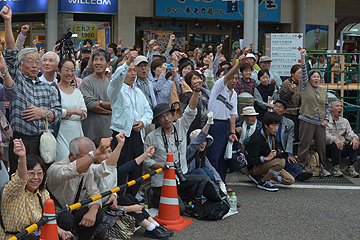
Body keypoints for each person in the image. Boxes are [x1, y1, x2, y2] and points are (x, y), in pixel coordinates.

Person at [2, 5, 61, 174]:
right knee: (19, 177)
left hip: (42, 141)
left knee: (39, 178)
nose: (35, 65)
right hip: (19, 139)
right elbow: (11, 52)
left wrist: (43, 113)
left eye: (37, 62)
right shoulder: (17, 80)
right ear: (20, 65)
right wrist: (8, 22)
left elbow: (57, 114)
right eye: (30, 61)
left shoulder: (48, 87)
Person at [144, 77, 209, 214]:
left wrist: (196, 91)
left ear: (172, 115)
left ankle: (183, 198)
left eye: (168, 115)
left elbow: (191, 109)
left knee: (205, 180)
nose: (166, 119)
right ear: (158, 121)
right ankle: (154, 196)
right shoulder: (152, 137)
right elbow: (146, 160)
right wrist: (162, 167)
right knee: (178, 209)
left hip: (180, 177)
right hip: (162, 181)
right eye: (162, 117)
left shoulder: (180, 126)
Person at [92, 134, 173, 239]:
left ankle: (154, 225)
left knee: (128, 197)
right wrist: (131, 208)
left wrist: (145, 155)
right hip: (100, 213)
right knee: (129, 204)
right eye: (104, 153)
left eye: (110, 152)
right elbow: (102, 207)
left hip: (110, 207)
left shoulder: (111, 169)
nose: (108, 156)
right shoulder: (94, 171)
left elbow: (127, 167)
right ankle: (150, 227)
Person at [0, 139, 73, 239]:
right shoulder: (13, 191)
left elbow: (48, 220)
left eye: (39, 173)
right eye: (31, 173)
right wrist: (22, 158)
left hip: (36, 234)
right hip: (15, 237)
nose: (35, 177)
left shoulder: (43, 193)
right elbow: (21, 179)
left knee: (66, 219)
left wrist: (62, 232)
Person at [47, 137, 113, 240]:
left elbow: (94, 193)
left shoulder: (88, 170)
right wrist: (98, 151)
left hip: (74, 213)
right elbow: (71, 170)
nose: (88, 161)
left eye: (91, 158)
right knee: (66, 218)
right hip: (55, 217)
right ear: (71, 156)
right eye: (84, 157)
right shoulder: (56, 168)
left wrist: (93, 210)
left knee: (97, 213)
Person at [108, 50, 153, 197]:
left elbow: (149, 112)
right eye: (129, 70)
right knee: (121, 170)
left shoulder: (139, 92)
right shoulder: (116, 90)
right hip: (121, 135)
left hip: (137, 134)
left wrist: (143, 122)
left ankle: (132, 198)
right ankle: (118, 200)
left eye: (134, 70)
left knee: (137, 171)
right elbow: (115, 79)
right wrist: (126, 63)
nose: (132, 73)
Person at [206, 55, 244, 184]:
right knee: (213, 156)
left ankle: (222, 183)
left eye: (236, 78)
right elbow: (227, 76)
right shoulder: (219, 86)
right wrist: (238, 65)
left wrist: (232, 132)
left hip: (226, 126)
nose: (234, 80)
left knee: (224, 158)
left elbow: (233, 115)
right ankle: (212, 184)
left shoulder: (234, 94)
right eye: (232, 78)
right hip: (214, 124)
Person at [297, 49, 330, 176]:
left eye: (318, 77)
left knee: (321, 145)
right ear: (309, 79)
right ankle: (300, 166)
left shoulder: (323, 91)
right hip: (307, 119)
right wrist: (303, 57)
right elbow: (304, 71)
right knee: (304, 144)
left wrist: (326, 119)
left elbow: (327, 106)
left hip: (320, 122)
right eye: (314, 76)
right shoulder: (306, 86)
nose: (316, 78)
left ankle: (322, 167)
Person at [246, 112, 295, 192]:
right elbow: (250, 160)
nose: (276, 128)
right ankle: (262, 182)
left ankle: (265, 175)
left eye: (278, 125)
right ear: (266, 125)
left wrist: (278, 151)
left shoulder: (271, 134)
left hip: (268, 164)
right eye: (274, 125)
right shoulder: (257, 139)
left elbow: (278, 146)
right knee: (281, 162)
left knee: (290, 180)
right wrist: (266, 158)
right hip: (256, 167)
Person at [186, 112, 227, 195]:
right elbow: (196, 143)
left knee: (206, 170)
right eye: (202, 141)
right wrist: (208, 123)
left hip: (197, 182)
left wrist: (220, 182)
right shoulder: (188, 152)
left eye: (205, 141)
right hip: (185, 180)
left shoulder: (202, 156)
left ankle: (220, 194)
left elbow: (211, 169)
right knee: (201, 171)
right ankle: (215, 193)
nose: (203, 143)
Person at [273, 99, 313, 182]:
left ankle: (300, 174)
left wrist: (290, 154)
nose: (277, 109)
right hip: (271, 145)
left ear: (285, 111)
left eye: (280, 107)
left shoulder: (289, 123)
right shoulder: (267, 119)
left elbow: (290, 138)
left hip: (282, 147)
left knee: (289, 159)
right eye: (276, 106)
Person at [55, 58, 87, 162]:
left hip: (77, 132)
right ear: (58, 71)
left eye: (72, 70)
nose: (70, 73)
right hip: (60, 133)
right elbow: (55, 113)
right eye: (66, 70)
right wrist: (75, 111)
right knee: (63, 163)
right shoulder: (54, 90)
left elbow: (84, 113)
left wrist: (66, 114)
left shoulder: (77, 92)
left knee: (78, 164)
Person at [80, 49, 112, 140]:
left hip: (108, 131)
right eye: (96, 60)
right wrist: (109, 111)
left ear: (108, 64)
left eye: (102, 60)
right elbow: (90, 105)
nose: (98, 63)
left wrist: (100, 103)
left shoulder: (110, 83)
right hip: (91, 132)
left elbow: (116, 104)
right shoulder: (87, 81)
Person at [325, 100, 359, 177]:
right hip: (330, 148)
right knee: (336, 145)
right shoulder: (326, 121)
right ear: (331, 108)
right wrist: (335, 140)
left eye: (341, 106)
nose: (340, 108)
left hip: (342, 147)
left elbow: (349, 133)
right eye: (337, 106)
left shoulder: (344, 121)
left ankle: (350, 167)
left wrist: (354, 138)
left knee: (354, 143)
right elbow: (325, 136)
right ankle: (335, 168)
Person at [180, 70, 210, 139]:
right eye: (194, 79)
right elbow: (182, 112)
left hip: (205, 125)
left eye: (199, 78)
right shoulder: (186, 94)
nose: (198, 80)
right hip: (192, 126)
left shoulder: (204, 92)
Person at [280, 64, 302, 154]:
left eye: (302, 73)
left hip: (297, 113)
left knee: (297, 134)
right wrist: (291, 92)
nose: (301, 75)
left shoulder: (300, 84)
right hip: (288, 113)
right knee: (287, 133)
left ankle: (295, 153)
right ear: (292, 74)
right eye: (299, 73)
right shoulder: (286, 83)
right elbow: (282, 98)